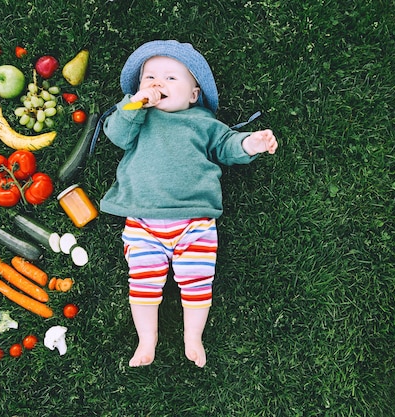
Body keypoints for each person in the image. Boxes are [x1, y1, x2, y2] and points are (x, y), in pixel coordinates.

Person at [100, 40, 278, 367]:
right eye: (149, 78)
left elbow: (226, 145)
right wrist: (136, 104)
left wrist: (251, 143)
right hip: (143, 221)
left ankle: (193, 335)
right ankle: (146, 340)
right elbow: (116, 133)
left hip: (194, 224)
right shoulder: (137, 117)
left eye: (170, 79)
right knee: (142, 280)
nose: (157, 84)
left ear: (194, 95)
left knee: (197, 280)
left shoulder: (202, 123)